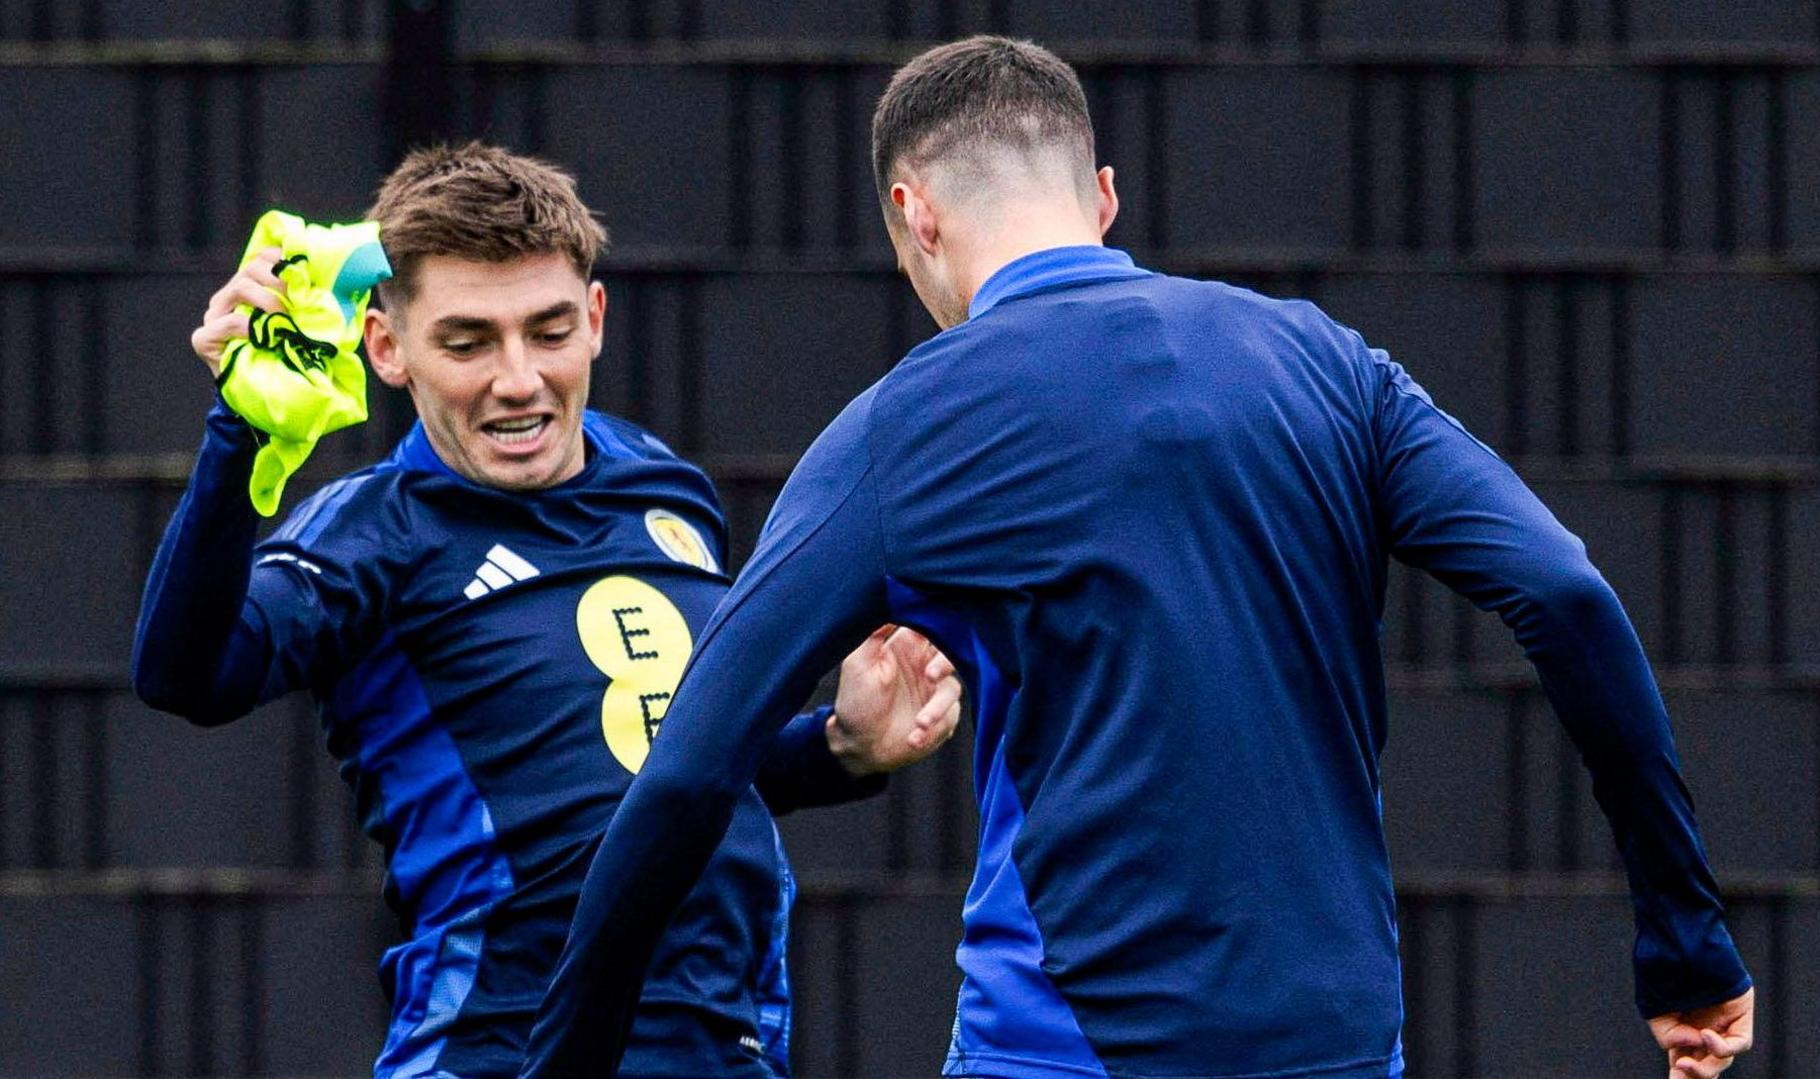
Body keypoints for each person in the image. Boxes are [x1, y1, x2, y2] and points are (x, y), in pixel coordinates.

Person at [525, 36, 1754, 1079]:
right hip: (1334, 1035)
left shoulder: (909, 425)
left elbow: (689, 769)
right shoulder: (1326, 362)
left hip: (1070, 1038)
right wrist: (1682, 940)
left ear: (914, 214)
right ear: (1101, 196)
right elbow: (1566, 593)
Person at [131, 142, 961, 1079]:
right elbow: (183, 674)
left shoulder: (666, 486)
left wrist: (837, 747)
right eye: (468, 341)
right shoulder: (374, 531)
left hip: (721, 1047)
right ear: (386, 346)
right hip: (498, 1050)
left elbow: (649, 761)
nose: (518, 377)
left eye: (549, 329)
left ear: (597, 319)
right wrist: (238, 434)